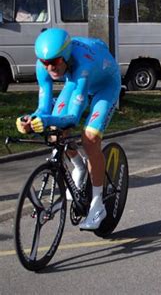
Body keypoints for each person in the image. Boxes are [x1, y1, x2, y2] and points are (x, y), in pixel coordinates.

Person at [16, 28, 121, 230]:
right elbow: (43, 108)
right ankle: (79, 166)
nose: (49, 68)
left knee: (90, 137)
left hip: (104, 85)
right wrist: (30, 119)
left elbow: (72, 117)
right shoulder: (44, 66)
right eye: (45, 63)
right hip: (74, 82)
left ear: (65, 56)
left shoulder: (83, 64)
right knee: (55, 129)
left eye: (54, 62)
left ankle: (97, 205)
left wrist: (45, 120)